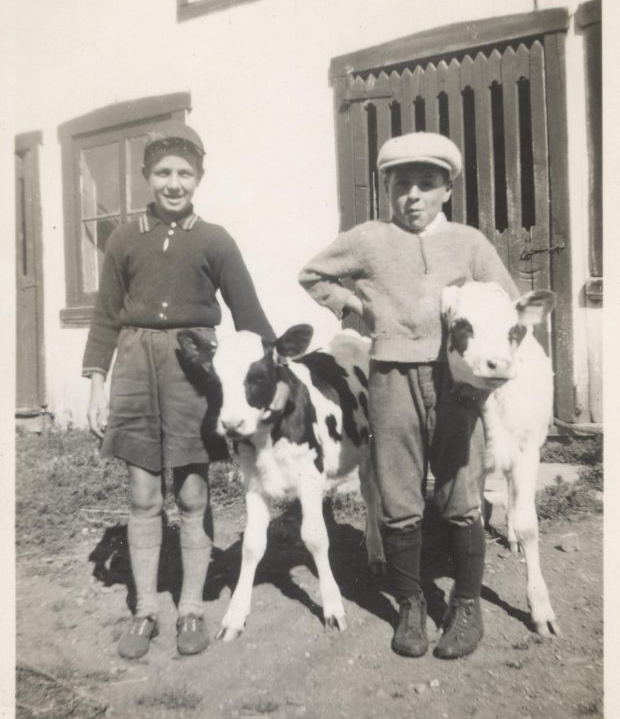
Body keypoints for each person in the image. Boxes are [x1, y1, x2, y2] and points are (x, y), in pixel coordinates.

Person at [298, 131, 518, 660]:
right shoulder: (369, 238)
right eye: (401, 185)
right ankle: (412, 604)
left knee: (461, 491)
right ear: (386, 189)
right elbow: (311, 275)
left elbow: (506, 302)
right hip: (390, 378)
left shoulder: (470, 243)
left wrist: (484, 367)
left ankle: (466, 606)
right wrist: (358, 306)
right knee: (397, 495)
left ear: (447, 189)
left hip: (454, 384)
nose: (413, 196)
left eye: (426, 184)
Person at [83, 121, 274, 660]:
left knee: (192, 492)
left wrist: (277, 374)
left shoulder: (215, 241)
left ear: (199, 177)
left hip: (194, 370)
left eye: (184, 173)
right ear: (146, 175)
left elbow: (251, 319)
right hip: (136, 368)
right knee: (142, 494)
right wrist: (97, 382)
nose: (173, 183)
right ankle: (145, 610)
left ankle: (190, 606)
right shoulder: (123, 239)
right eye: (163, 172)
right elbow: (104, 319)